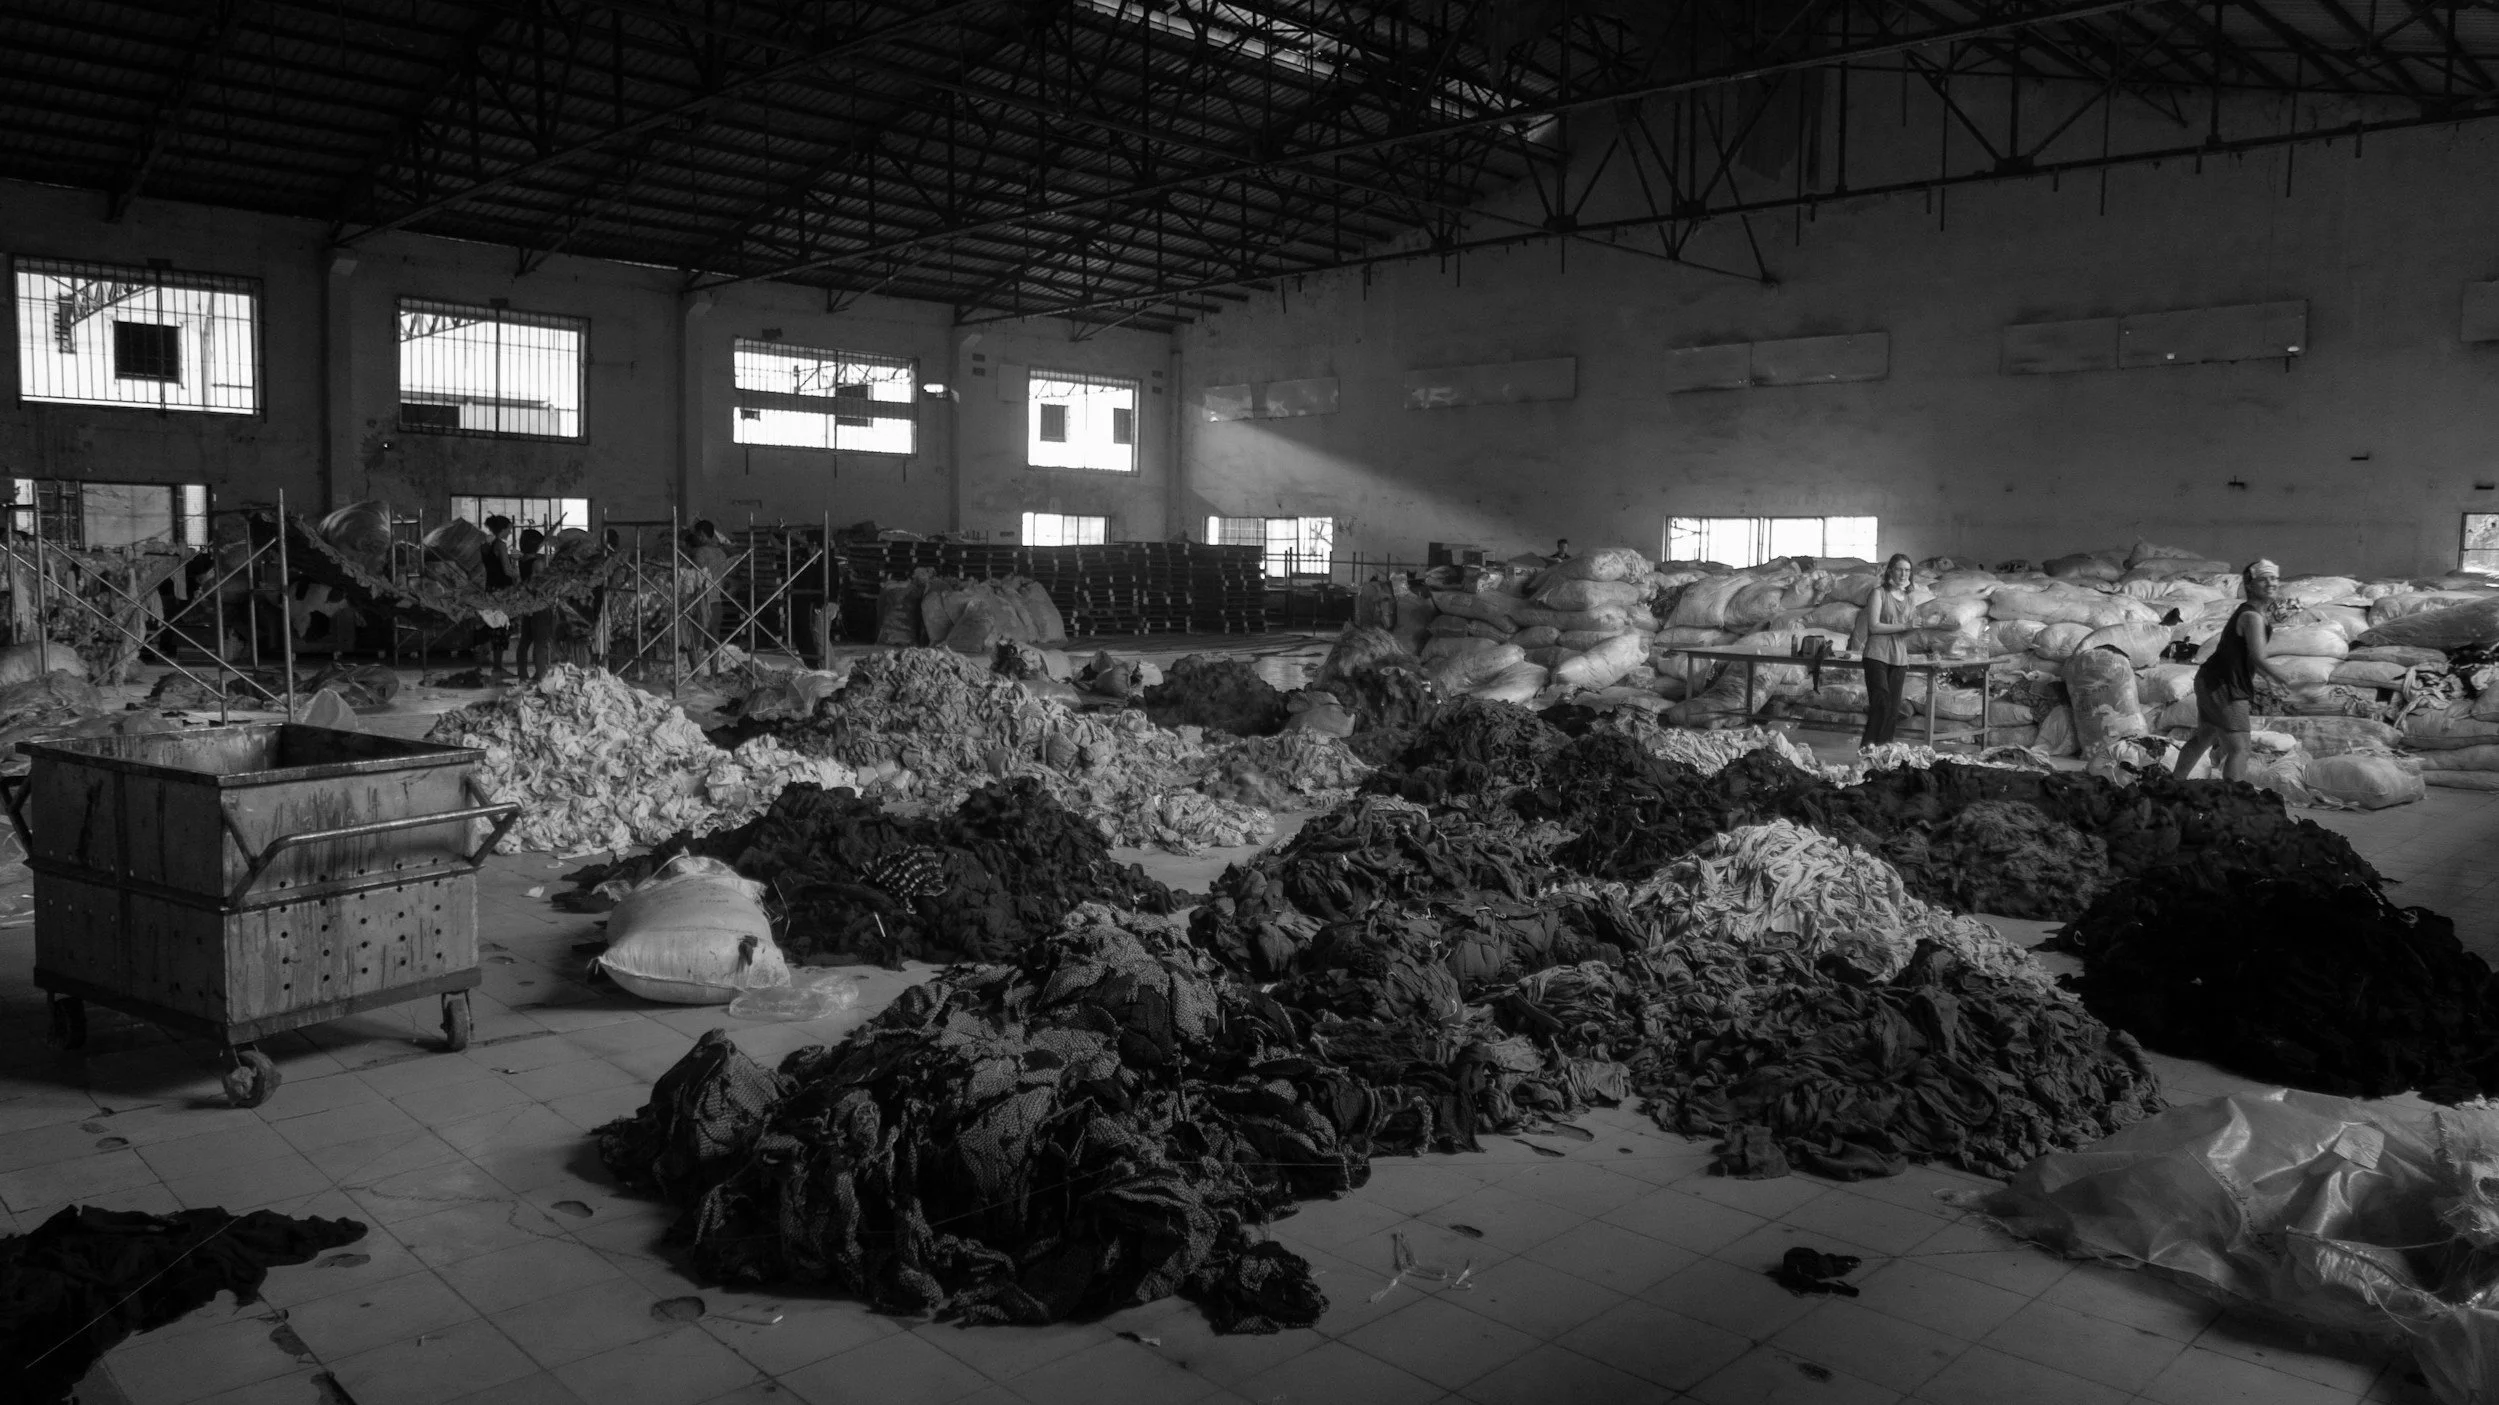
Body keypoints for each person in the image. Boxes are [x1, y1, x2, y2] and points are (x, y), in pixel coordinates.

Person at [2174, 559, 2296, 783]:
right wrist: (2285, 678)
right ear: (2250, 585)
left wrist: (2268, 679)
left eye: (2274, 578)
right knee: (2240, 747)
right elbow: (2259, 657)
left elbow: (2248, 655)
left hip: (2212, 679)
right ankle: (2234, 798)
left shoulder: (2251, 613)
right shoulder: (2252, 617)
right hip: (2224, 685)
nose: (2271, 583)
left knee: (2205, 735)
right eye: (2264, 579)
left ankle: (2175, 782)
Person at [1850, 553, 1917, 748]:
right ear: (1890, 571)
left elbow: (1904, 633)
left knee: (1893, 711)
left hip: (1899, 658)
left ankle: (1883, 751)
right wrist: (1906, 625)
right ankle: (1868, 749)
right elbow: (1874, 627)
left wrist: (1914, 628)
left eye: (1907, 570)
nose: (1904, 574)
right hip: (1876, 655)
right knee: (1881, 705)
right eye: (1899, 569)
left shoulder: (1910, 598)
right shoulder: (1878, 593)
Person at [516, 528, 556, 684]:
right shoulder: (538, 563)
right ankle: (541, 675)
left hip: (527, 605)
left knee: (525, 640)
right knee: (540, 643)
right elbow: (541, 583)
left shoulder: (522, 560)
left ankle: (523, 675)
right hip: (539, 604)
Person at [477, 515, 515, 680]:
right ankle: (497, 668)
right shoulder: (500, 544)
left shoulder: (486, 545)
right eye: (509, 529)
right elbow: (507, 571)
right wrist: (520, 574)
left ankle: (492, 667)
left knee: (493, 627)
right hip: (501, 591)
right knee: (501, 628)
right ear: (503, 528)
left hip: (490, 588)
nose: (510, 532)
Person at [687, 519, 729, 649]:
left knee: (692, 644)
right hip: (717, 603)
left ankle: (696, 670)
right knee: (713, 642)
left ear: (701, 534)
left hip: (702, 603)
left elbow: (694, 577)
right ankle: (714, 670)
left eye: (696, 535)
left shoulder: (700, 553)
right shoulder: (722, 554)